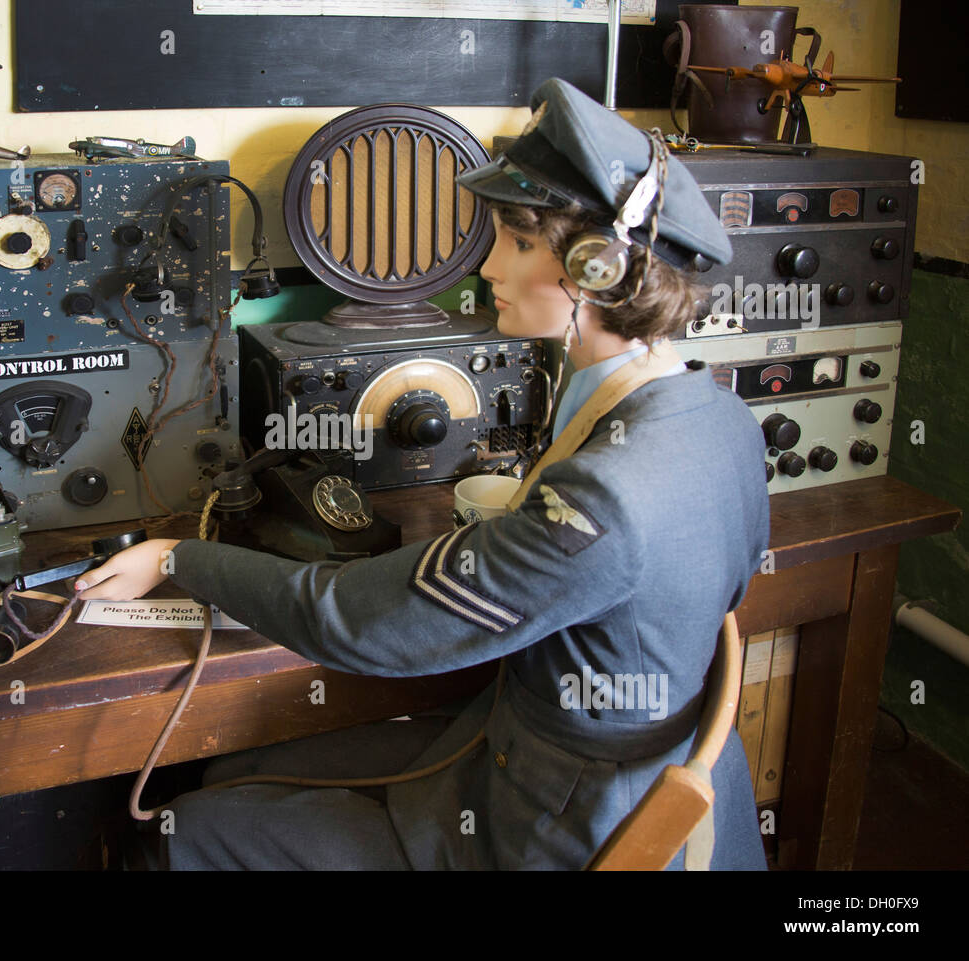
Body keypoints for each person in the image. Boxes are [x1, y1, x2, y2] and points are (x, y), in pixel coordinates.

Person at [75, 78, 771, 870]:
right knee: (237, 766)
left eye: (514, 241)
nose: (488, 267)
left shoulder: (606, 494)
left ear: (595, 270)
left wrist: (179, 560)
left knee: (183, 828)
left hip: (548, 828)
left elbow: (354, 622)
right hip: (580, 759)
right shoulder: (719, 420)